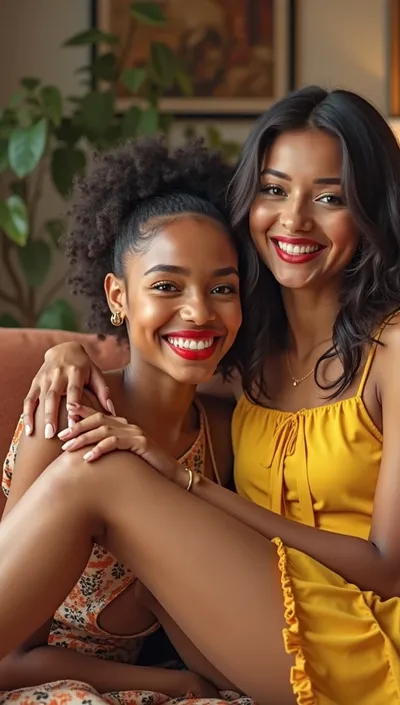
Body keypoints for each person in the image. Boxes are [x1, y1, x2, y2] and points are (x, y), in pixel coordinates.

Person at [1, 86, 400, 705]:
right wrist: (68, 353)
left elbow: (394, 569)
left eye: (329, 197)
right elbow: (161, 352)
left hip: (384, 630)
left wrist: (190, 485)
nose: (294, 219)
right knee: (90, 462)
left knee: (95, 472)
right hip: (269, 610)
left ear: (367, 210)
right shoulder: (246, 351)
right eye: (274, 190)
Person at [0, 137, 252, 702]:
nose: (198, 311)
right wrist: (174, 683)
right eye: (167, 285)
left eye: (222, 288)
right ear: (118, 296)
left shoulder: (224, 432)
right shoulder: (67, 414)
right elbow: (11, 658)